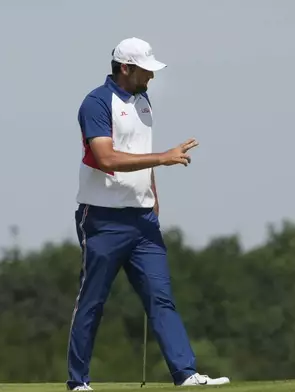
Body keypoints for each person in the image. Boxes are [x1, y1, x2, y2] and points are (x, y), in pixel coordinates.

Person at [66, 37, 231, 391]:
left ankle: (185, 374)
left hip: (142, 219)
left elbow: (141, 150)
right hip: (102, 218)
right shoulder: (96, 103)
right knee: (93, 300)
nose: (151, 77)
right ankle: (78, 381)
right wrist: (164, 158)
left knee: (161, 297)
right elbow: (107, 158)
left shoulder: (143, 100)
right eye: (145, 70)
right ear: (125, 68)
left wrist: (154, 195)